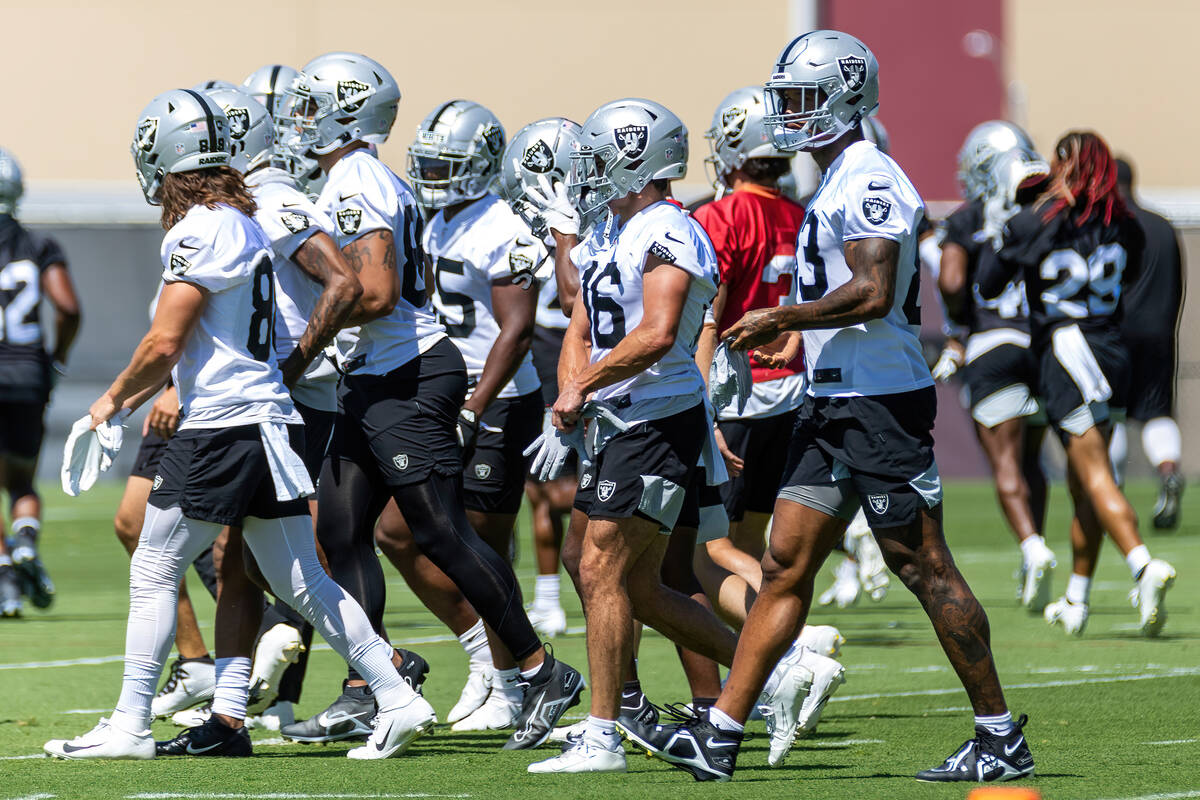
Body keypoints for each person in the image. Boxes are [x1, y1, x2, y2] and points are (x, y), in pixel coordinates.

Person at [642, 31, 1034, 784]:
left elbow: (875, 290)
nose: (788, 114)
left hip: (879, 405)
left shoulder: (867, 175)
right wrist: (802, 338)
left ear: (846, 99)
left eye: (801, 99)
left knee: (923, 566)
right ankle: (722, 732)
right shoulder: (831, 179)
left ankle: (998, 736)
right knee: (784, 565)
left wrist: (784, 317)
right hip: (831, 402)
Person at [45, 88, 434, 761]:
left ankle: (129, 725)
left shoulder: (200, 228)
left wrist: (110, 402)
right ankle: (397, 697)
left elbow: (166, 340)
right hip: (266, 419)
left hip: (224, 424)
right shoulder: (244, 220)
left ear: (165, 158)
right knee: (300, 582)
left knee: (156, 563)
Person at [273, 53, 581, 751]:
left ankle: (540, 670)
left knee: (441, 532)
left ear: (348, 116)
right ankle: (380, 682)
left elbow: (373, 294)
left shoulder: (357, 181)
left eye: (312, 109)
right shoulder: (359, 178)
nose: (299, 122)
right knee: (343, 530)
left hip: (408, 373)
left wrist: (295, 348)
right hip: (376, 375)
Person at [526, 98, 808, 775]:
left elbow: (655, 333)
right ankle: (770, 679)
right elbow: (578, 325)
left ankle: (604, 732)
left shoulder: (667, 230)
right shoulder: (607, 230)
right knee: (627, 580)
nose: (589, 174)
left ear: (637, 160)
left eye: (599, 160)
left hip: (657, 418)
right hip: (615, 418)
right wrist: (570, 401)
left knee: (602, 568)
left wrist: (581, 388)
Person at [373, 99, 546, 732]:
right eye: (431, 164)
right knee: (396, 531)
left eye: (449, 165)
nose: (436, 176)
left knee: (481, 549)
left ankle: (514, 684)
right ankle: (487, 656)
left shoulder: (506, 225)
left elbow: (517, 329)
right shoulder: (432, 218)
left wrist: (472, 409)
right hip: (436, 395)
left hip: (493, 399)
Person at [984, 132, 1177, 638]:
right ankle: (1077, 598)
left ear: (1063, 166)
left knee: (1093, 474)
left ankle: (1142, 565)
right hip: (1113, 351)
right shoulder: (1125, 223)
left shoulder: (1042, 220)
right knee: (1081, 482)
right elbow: (1128, 275)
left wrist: (1020, 231)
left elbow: (986, 282)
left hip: (1068, 351)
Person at [937, 122, 1057, 611]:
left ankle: (1032, 546)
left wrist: (960, 324)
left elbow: (950, 280)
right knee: (1034, 459)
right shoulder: (1043, 213)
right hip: (1042, 344)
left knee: (1005, 462)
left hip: (991, 345)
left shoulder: (968, 219)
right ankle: (1038, 544)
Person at [503, 118, 588, 641]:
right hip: (547, 352)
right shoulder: (539, 227)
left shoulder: (585, 222)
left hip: (580, 355)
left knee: (567, 495)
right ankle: (548, 596)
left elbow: (576, 294)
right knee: (540, 492)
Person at [0, 147, 81, 616]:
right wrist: (56, 359)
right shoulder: (38, 245)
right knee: (22, 481)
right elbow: (67, 307)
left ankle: (6, 578)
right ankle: (25, 541)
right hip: (28, 375)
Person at [1110, 157, 1185, 529]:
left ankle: (1111, 496)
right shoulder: (1163, 226)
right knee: (1157, 413)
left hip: (1115, 335)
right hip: (1159, 335)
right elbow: (1178, 284)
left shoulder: (1109, 225)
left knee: (1113, 414)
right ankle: (1168, 471)